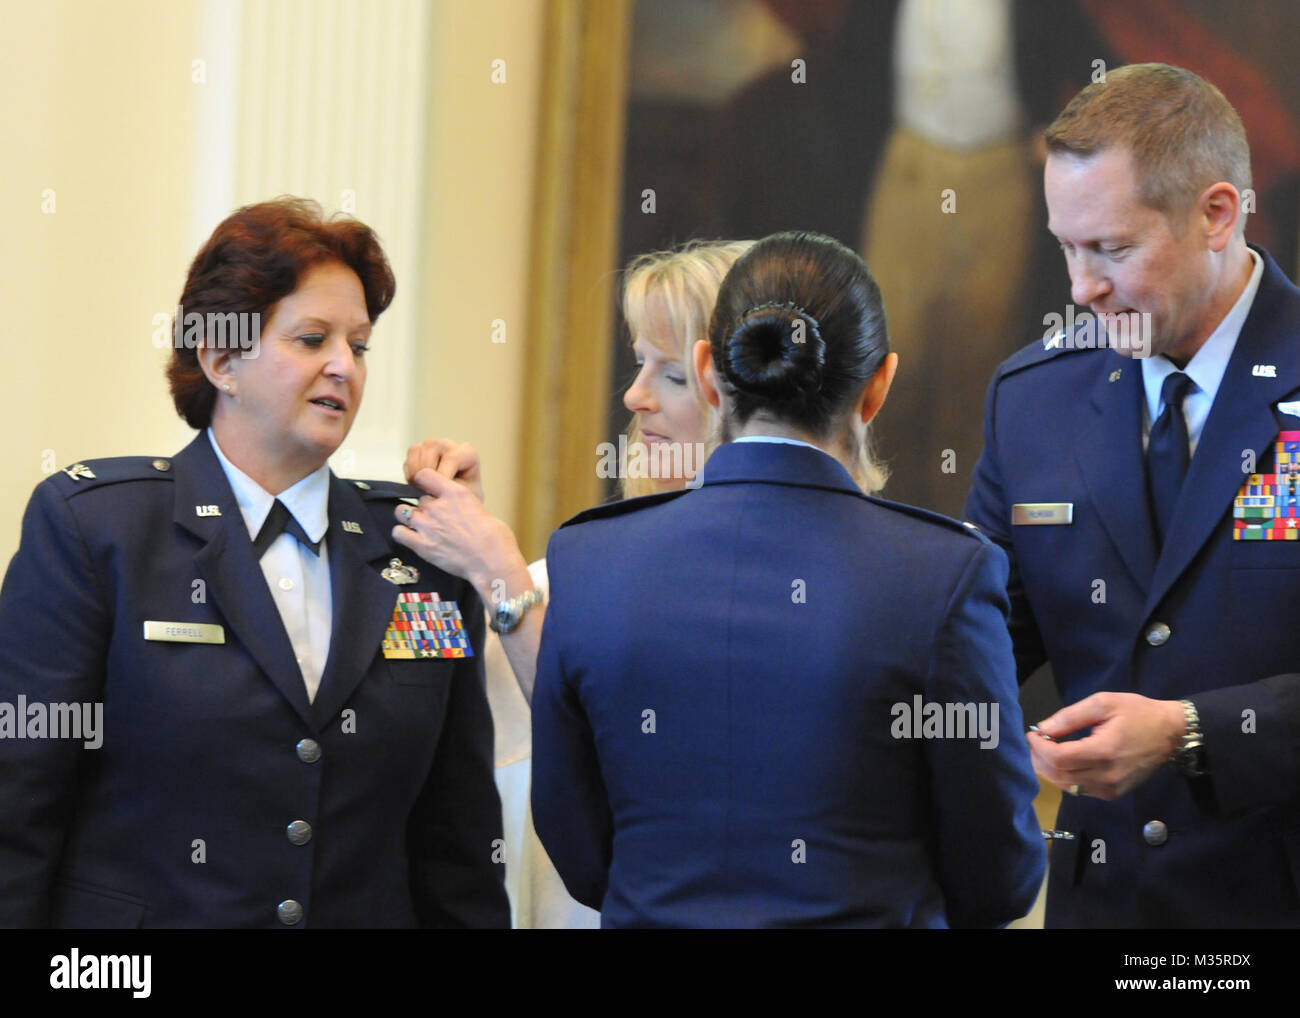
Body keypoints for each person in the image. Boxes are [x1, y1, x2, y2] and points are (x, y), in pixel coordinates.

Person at [0, 197, 509, 928]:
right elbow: (20, 806)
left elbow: (457, 836)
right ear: (221, 360)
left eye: (359, 346)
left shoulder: (420, 546)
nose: (344, 366)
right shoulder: (98, 530)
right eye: (312, 339)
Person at [529, 230, 1045, 927]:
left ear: (707, 372)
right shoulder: (943, 575)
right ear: (879, 385)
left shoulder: (589, 560)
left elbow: (580, 847)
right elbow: (999, 875)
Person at [965, 63, 1300, 927]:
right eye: (1067, 248)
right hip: (1103, 906)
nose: (1082, 289)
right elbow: (972, 639)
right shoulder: (1034, 398)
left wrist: (1192, 731)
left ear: (1217, 214)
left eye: (1112, 250)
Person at [393, 241, 755, 927]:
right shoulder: (564, 574)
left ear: (745, 401)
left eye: (671, 375)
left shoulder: (777, 596)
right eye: (638, 362)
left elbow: (618, 751)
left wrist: (496, 572)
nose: (634, 395)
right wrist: (450, 564)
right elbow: (428, 699)